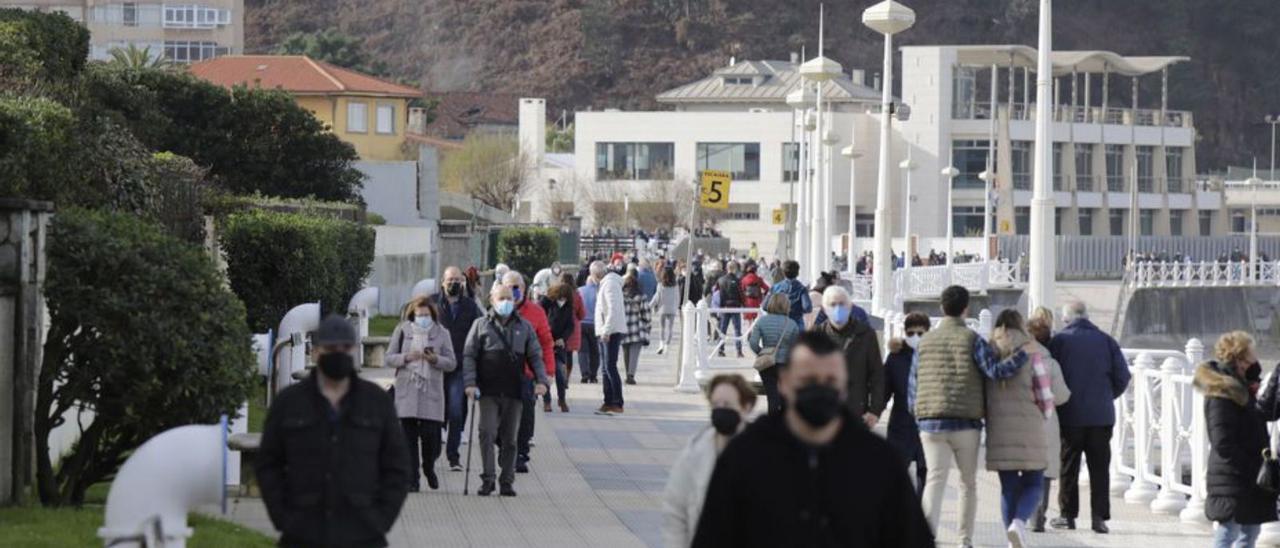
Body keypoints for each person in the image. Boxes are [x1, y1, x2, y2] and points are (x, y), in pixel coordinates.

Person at [691, 332, 934, 547]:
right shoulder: (746, 455)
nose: (819, 389)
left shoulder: (879, 461)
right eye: (808, 381)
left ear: (844, 387)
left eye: (830, 381)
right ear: (784, 382)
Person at [257, 315, 409, 547]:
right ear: (316, 352)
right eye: (330, 347)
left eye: (345, 347)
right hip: (302, 533)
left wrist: (381, 519)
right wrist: (283, 517)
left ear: (354, 351)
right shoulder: (289, 403)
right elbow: (268, 463)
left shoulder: (377, 402)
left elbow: (397, 466)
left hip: (363, 534)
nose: (339, 353)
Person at [909, 285, 1031, 548]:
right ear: (966, 309)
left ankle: (926, 538)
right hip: (966, 423)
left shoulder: (925, 341)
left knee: (934, 480)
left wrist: (918, 416)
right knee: (967, 484)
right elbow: (995, 371)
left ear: (942, 308)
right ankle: (964, 541)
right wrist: (1022, 356)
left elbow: (913, 386)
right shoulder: (973, 339)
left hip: (930, 423)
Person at [1048, 300, 1131, 534]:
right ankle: (1099, 518)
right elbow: (1123, 376)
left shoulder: (1060, 341)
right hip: (1101, 415)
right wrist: (1107, 396)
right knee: (1099, 468)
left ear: (1067, 319)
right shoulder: (1106, 340)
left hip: (1070, 414)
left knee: (1069, 466)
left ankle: (1068, 515)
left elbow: (1050, 376)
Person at [462, 284, 549, 496]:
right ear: (491, 300)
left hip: (514, 391)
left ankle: (507, 480)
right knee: (487, 432)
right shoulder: (480, 325)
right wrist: (470, 383)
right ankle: (488, 479)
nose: (506, 302)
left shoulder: (525, 327)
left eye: (509, 298)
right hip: (488, 391)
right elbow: (469, 355)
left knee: (511, 438)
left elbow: (535, 356)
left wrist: (542, 381)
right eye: (501, 298)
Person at [985, 309, 1062, 547]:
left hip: (999, 427)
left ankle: (1011, 540)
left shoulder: (989, 351)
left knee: (1008, 487)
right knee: (1034, 483)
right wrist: (1045, 415)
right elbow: (1045, 394)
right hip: (1031, 426)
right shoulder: (1032, 352)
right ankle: (1019, 523)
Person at [1197, 332, 1275, 547]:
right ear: (1239, 360)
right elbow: (1222, 441)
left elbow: (1262, 415)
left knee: (1250, 532)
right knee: (1229, 530)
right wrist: (1250, 466)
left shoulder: (1243, 387)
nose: (1255, 362)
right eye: (1251, 358)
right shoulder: (1222, 391)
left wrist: (1274, 380)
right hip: (1233, 474)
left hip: (1248, 473)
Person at [662, 374, 757, 548]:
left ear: (746, 407)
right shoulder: (694, 452)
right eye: (716, 405)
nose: (721, 409)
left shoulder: (763, 453)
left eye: (728, 405)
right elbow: (675, 509)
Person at [386, 297, 456, 491]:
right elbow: (389, 358)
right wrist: (406, 357)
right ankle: (412, 479)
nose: (423, 318)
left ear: (432, 315)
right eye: (419, 315)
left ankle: (429, 466)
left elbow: (451, 362)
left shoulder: (442, 333)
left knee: (431, 439)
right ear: (412, 315)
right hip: (407, 390)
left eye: (426, 315)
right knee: (407, 440)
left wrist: (435, 359)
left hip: (431, 392)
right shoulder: (402, 330)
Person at [502, 271, 556, 474]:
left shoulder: (536, 312)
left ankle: (521, 452)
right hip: (500, 373)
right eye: (509, 286)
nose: (513, 291)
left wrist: (548, 373)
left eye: (517, 287)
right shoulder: (495, 311)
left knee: (525, 411)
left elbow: (546, 343)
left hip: (526, 373)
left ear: (524, 290)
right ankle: (506, 449)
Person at [814, 285, 884, 427]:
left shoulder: (866, 334)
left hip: (857, 411)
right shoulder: (817, 336)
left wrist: (875, 410)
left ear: (850, 306)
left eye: (842, 304)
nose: (838, 309)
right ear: (825, 308)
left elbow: (877, 374)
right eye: (833, 304)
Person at [434, 266, 483, 472]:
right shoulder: (432, 303)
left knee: (455, 409)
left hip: (460, 366)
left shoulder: (471, 306)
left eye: (458, 280)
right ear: (443, 282)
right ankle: (432, 452)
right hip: (435, 366)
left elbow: (481, 331)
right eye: (450, 279)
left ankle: (453, 455)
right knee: (435, 413)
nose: (454, 283)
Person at [1026, 307, 1069, 532]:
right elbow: (1062, 396)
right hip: (1046, 421)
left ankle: (1018, 515)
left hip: (1020, 422)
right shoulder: (1050, 363)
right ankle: (1038, 518)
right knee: (1043, 472)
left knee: (1022, 469)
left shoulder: (1014, 359)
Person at [884, 312, 930, 498]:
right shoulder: (896, 357)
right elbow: (885, 389)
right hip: (901, 422)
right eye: (911, 333)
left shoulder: (934, 356)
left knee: (925, 473)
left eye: (921, 333)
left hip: (928, 423)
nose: (916, 338)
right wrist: (874, 411)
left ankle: (920, 515)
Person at [747, 293, 798, 416]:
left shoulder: (762, 322)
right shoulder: (792, 324)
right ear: (786, 305)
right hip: (785, 364)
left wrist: (761, 353)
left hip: (767, 364)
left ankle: (772, 424)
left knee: (772, 395)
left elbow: (753, 342)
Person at [595, 258, 627, 414]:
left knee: (610, 366)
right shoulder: (608, 283)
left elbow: (612, 309)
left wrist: (606, 330)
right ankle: (608, 401)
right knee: (605, 368)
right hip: (605, 330)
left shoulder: (610, 284)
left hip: (611, 331)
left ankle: (617, 402)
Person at [539, 281, 576, 413]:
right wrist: (548, 338)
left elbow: (571, 325)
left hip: (560, 344)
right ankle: (547, 401)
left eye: (565, 297)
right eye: (561, 297)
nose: (563, 300)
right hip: (545, 342)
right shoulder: (546, 303)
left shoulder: (569, 307)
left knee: (560, 373)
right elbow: (540, 321)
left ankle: (562, 399)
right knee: (546, 373)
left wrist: (563, 339)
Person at [621, 274, 652, 385]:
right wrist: (647, 325)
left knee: (626, 352)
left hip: (624, 328)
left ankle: (627, 374)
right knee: (634, 354)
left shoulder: (621, 296)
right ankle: (631, 375)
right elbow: (646, 314)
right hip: (637, 329)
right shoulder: (641, 296)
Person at [578, 262, 603, 383]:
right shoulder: (600, 292)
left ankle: (584, 373)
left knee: (582, 350)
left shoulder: (579, 291)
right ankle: (593, 375)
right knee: (594, 351)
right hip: (595, 324)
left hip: (581, 323)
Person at [768, 260, 811, 330]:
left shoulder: (775, 287)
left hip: (778, 325)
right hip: (796, 325)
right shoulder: (802, 289)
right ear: (797, 273)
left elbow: (765, 306)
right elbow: (807, 308)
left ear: (783, 272)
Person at [715, 261, 745, 357]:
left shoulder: (721, 280)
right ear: (735, 269)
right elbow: (741, 294)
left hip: (724, 307)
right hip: (735, 307)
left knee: (723, 329)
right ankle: (739, 351)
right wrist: (743, 304)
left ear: (727, 268)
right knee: (737, 330)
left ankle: (720, 350)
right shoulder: (737, 280)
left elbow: (717, 294)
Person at [560, 272, 586, 383]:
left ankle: (560, 375)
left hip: (559, 325)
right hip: (573, 326)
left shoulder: (557, 294)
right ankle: (567, 377)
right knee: (569, 354)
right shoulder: (576, 295)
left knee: (559, 353)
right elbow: (582, 314)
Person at [650, 268, 681, 354]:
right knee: (670, 328)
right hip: (672, 309)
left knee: (662, 327)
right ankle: (667, 345)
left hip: (662, 309)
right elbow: (677, 297)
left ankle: (661, 344)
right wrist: (677, 306)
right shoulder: (676, 285)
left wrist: (650, 306)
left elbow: (657, 297)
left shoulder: (660, 285)